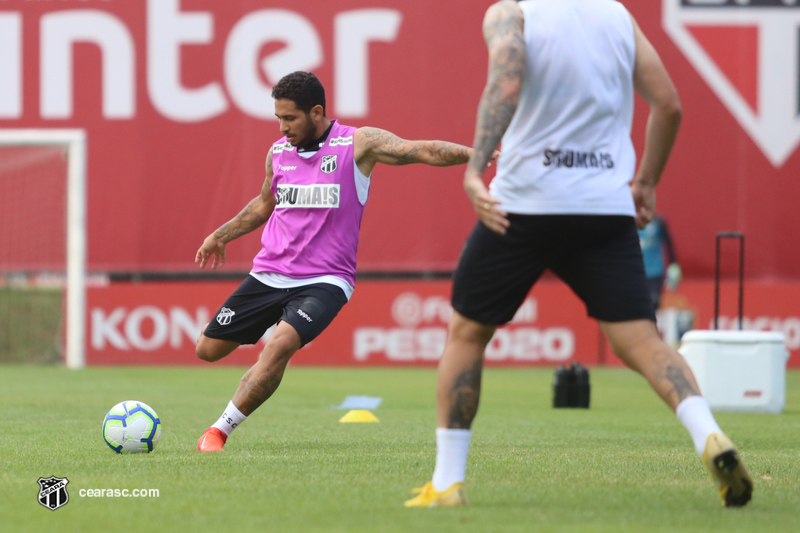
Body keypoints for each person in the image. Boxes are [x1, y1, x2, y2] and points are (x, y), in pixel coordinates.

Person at [405, 0, 752, 509]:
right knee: (641, 340)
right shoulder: (617, 17)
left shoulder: (512, 14)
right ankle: (708, 435)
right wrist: (647, 184)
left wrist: (475, 169)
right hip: (604, 208)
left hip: (523, 205)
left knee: (468, 334)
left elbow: (505, 81)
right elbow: (670, 105)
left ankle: (447, 482)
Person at [194, 71, 494, 453]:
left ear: (316, 111)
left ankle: (218, 431)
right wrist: (220, 235)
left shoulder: (357, 144)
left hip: (325, 280)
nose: (283, 127)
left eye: (290, 118)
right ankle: (236, 399)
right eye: (278, 119)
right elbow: (265, 204)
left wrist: (477, 155)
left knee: (279, 344)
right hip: (269, 274)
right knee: (207, 350)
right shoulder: (278, 153)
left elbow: (417, 149)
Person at [639, 214, 681, 311]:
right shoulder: (629, 223)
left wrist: (674, 265)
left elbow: (669, 244)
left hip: (655, 273)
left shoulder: (658, 222)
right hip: (636, 273)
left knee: (653, 305)